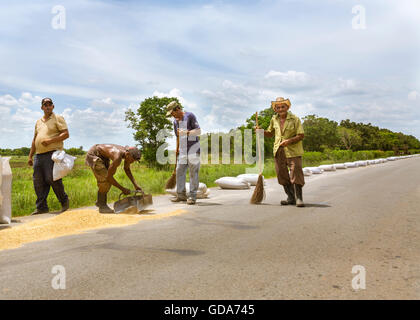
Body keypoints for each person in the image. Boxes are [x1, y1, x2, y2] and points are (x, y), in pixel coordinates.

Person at [256, 97, 305, 207]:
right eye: (278, 107)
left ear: (287, 107)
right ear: (275, 109)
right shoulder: (274, 119)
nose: (281, 109)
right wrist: (261, 131)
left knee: (296, 173)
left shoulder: (295, 119)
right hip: (278, 151)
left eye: (283, 106)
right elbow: (270, 133)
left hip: (293, 151)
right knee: (281, 175)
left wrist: (289, 141)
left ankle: (299, 198)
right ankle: (290, 197)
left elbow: (301, 135)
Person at [28, 97, 70, 215]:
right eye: (45, 104)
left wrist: (50, 141)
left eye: (49, 104)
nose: (47, 106)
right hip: (39, 155)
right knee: (38, 182)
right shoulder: (38, 121)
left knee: (52, 179)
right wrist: (30, 156)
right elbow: (35, 139)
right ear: (42, 107)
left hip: (52, 154)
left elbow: (66, 134)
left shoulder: (58, 118)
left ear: (53, 106)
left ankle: (64, 201)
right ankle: (42, 207)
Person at [85, 144, 142, 213]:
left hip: (103, 156)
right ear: (127, 154)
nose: (132, 162)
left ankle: (100, 201)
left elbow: (127, 169)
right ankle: (102, 206)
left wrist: (135, 184)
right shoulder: (117, 157)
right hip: (94, 154)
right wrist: (122, 189)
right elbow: (109, 178)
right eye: (132, 160)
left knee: (106, 180)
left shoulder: (127, 154)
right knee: (105, 181)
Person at [165, 101, 201, 205]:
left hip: (194, 150)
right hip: (182, 151)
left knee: (193, 173)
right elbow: (178, 137)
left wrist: (187, 132)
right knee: (179, 171)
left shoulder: (190, 116)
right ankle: (181, 195)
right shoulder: (175, 122)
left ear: (177, 109)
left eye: (172, 113)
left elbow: (198, 131)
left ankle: (192, 197)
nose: (172, 116)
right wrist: (177, 149)